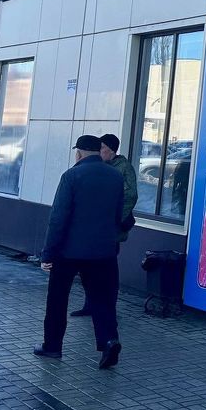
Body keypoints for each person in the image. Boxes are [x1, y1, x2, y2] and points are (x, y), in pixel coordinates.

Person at [34, 135, 127, 369]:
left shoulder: (71, 176)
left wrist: (48, 253)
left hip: (69, 251)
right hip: (104, 251)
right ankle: (109, 340)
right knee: (103, 300)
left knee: (57, 299)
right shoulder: (116, 177)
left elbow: (58, 218)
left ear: (79, 153)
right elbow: (119, 214)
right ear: (99, 151)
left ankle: (52, 346)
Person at [71, 133, 138, 318]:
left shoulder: (124, 168)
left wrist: (114, 219)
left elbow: (131, 196)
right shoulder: (98, 166)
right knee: (87, 267)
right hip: (94, 227)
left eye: (102, 148)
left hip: (111, 230)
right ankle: (90, 304)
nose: (99, 152)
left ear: (112, 150)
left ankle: (108, 307)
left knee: (108, 270)